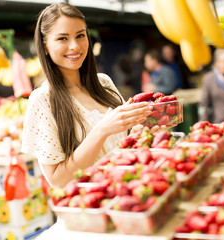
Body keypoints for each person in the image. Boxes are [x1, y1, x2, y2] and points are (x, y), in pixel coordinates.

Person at [21, 3, 152, 188]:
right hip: (89, 207)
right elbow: (58, 181)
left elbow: (125, 147)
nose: (75, 46)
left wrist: (147, 129)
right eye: (62, 38)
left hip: (129, 195)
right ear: (44, 46)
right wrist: (102, 130)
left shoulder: (104, 83)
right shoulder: (42, 100)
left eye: (80, 36)